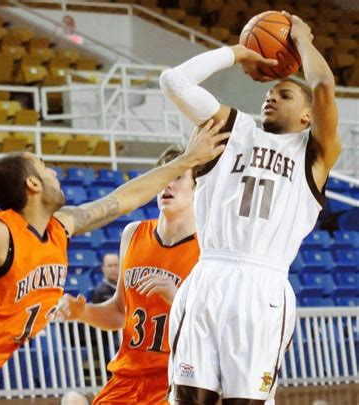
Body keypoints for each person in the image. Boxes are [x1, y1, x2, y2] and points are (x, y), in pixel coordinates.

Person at [0, 120, 229, 405]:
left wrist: (187, 161)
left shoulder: (59, 227)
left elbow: (121, 200)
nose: (53, 171)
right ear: (32, 184)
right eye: (44, 168)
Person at [159, 12, 341, 404]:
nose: (271, 96)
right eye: (269, 93)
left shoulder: (313, 154)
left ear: (307, 115)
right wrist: (237, 52)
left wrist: (302, 39)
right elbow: (174, 82)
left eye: (285, 94)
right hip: (209, 274)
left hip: (265, 286)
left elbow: (323, 84)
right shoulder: (232, 127)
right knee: (189, 398)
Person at [51, 146, 202, 404]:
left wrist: (176, 298)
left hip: (175, 379)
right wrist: (83, 312)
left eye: (177, 176)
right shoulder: (133, 234)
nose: (167, 183)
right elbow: (120, 312)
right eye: (163, 175)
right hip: (126, 376)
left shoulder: (207, 247)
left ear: (197, 187)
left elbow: (210, 330)